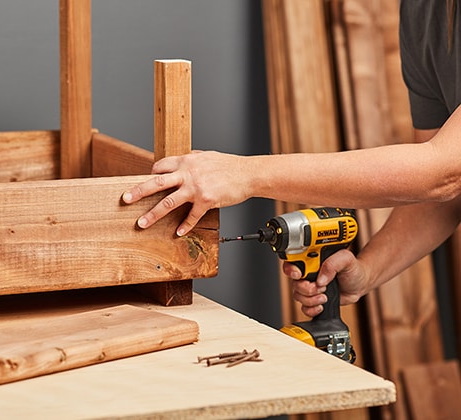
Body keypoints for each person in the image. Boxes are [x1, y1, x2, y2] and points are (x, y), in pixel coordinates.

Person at [121, 0, 461, 317]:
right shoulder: (423, 11)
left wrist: (245, 174)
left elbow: (443, 172)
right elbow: (443, 196)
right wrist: (368, 271)